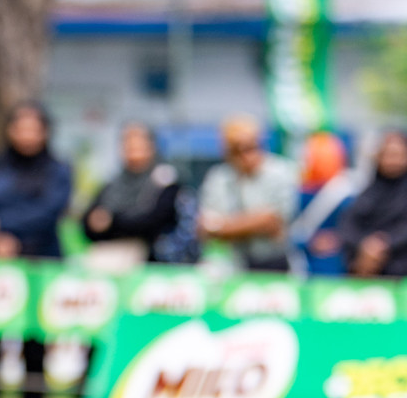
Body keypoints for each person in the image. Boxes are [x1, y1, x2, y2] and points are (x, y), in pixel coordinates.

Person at [0, 101, 73, 398]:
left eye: (34, 128)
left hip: (39, 261)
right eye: (20, 127)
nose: (26, 135)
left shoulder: (57, 169)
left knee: (34, 345)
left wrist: (5, 227)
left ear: (45, 132)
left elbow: (50, 210)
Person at [198, 116, 299, 273]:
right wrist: (254, 222)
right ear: (227, 152)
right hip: (232, 265)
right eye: (237, 150)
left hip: (273, 262)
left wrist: (224, 227)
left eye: (251, 147)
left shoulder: (280, 171)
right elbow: (205, 228)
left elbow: (272, 222)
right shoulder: (218, 177)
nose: (246, 156)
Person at [79, 122, 181, 272]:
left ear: (151, 147)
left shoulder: (163, 179)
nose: (133, 151)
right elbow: (89, 224)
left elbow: (152, 222)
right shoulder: (113, 183)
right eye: (128, 146)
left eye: (138, 146)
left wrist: (111, 221)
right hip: (108, 254)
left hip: (151, 261)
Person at [339, 129, 407, 278]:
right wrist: (364, 247)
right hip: (364, 266)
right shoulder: (368, 192)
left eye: (397, 155)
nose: (391, 161)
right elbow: (349, 224)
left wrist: (383, 245)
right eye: (387, 155)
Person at [292, 131, 354, 277]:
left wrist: (340, 238)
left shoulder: (346, 192)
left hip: (336, 265)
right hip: (305, 264)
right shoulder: (299, 194)